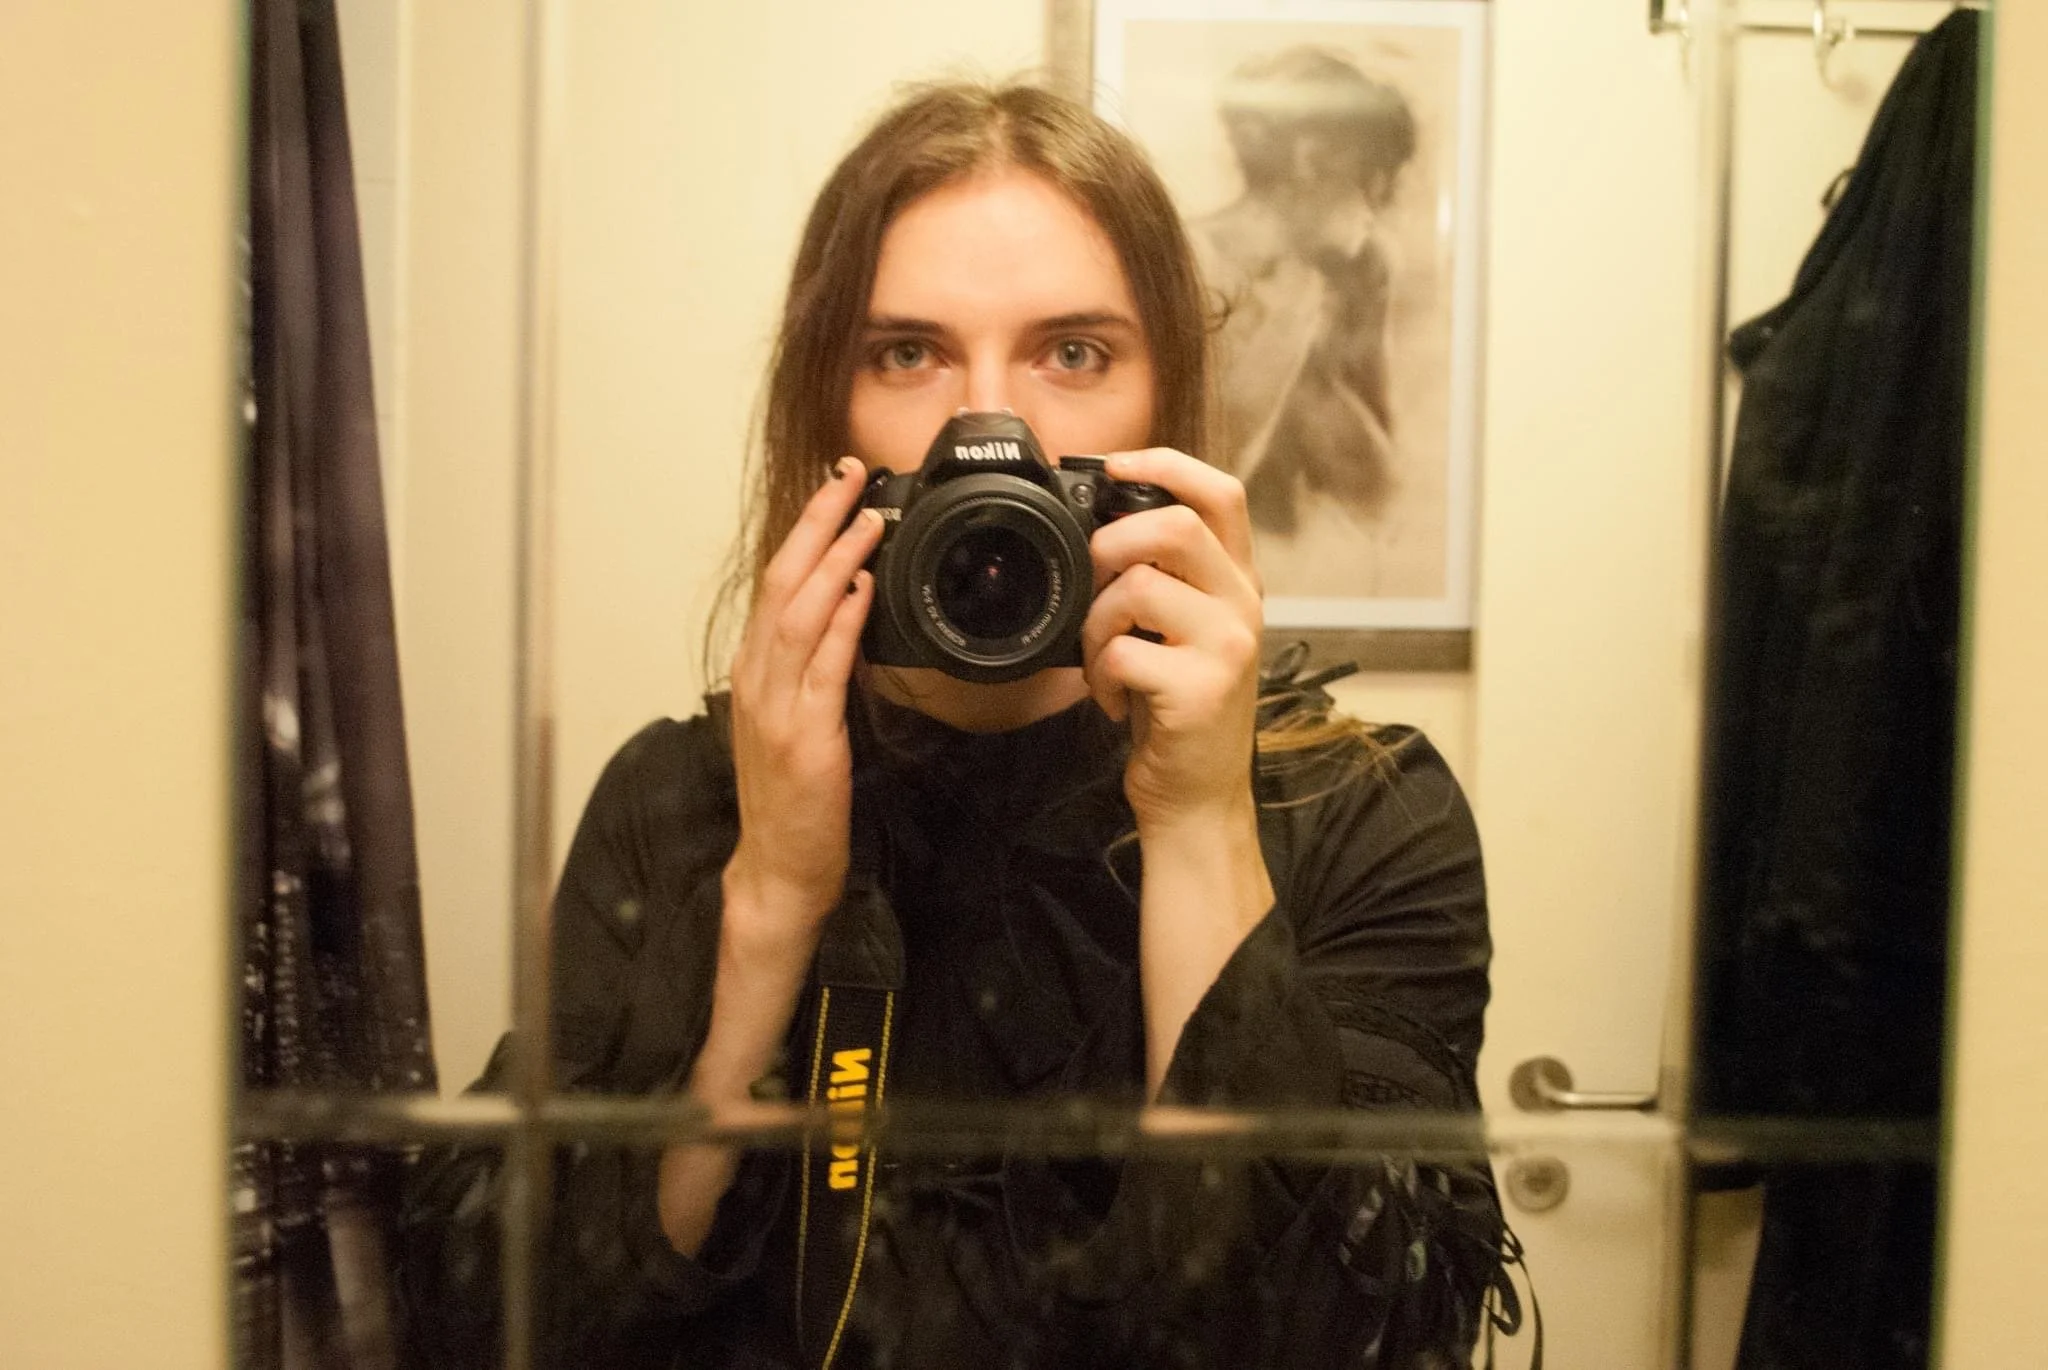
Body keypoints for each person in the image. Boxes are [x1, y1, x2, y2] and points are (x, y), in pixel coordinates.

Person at [403, 81, 1508, 1370]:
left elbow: (1371, 1332)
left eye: (1073, 353)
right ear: (826, 415)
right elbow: (489, 1322)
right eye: (905, 354)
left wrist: (1202, 824)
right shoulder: (681, 798)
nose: (992, 427)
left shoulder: (1359, 808)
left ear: (1164, 409)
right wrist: (770, 902)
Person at [1192, 48, 1418, 538]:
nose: (1376, 213)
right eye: (1373, 185)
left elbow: (1378, 481)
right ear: (1310, 162)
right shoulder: (1190, 261)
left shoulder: (1356, 267)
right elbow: (1202, 469)